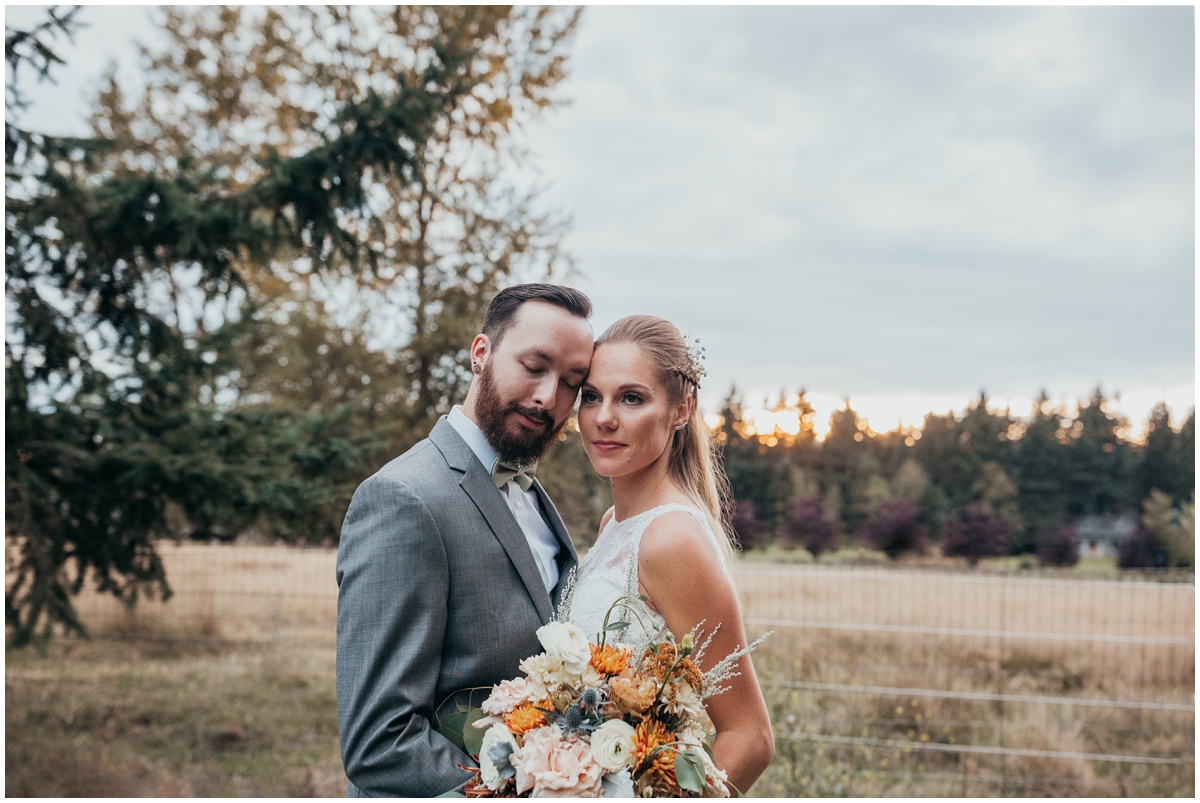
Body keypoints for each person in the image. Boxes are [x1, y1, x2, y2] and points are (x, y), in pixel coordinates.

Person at [336, 283, 595, 797]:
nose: (549, 398)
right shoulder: (402, 498)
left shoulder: (530, 494)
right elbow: (379, 742)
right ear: (481, 353)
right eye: (534, 366)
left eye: (572, 383)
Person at [569, 314, 775, 795]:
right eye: (591, 396)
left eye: (631, 398)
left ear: (682, 408)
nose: (603, 418)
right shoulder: (614, 524)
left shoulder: (671, 539)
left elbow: (749, 737)